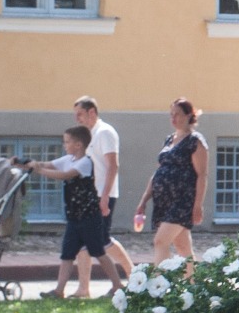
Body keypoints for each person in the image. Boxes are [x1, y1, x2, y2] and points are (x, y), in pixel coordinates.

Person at [28, 125, 126, 298]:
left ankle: (118, 285)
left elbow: (66, 175)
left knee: (98, 252)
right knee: (67, 254)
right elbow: (48, 164)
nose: (65, 145)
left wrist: (40, 171)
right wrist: (27, 164)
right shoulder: (69, 159)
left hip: (89, 217)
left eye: (67, 142)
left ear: (79, 145)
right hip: (74, 218)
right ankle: (59, 290)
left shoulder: (85, 162)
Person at [71, 96, 133, 297]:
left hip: (102, 195)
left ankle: (133, 275)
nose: (77, 119)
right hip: (89, 197)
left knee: (102, 240)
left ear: (92, 112)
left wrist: (104, 196)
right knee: (83, 242)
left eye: (80, 114)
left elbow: (112, 166)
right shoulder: (88, 135)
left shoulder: (104, 132)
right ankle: (83, 289)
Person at [136, 98, 208, 265]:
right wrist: (144, 200)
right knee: (183, 248)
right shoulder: (169, 140)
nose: (173, 118)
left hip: (182, 201)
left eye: (177, 114)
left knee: (160, 241)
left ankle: (159, 286)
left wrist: (197, 205)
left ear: (189, 115)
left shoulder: (195, 141)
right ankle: (193, 286)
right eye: (171, 114)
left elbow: (202, 175)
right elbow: (159, 172)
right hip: (163, 201)